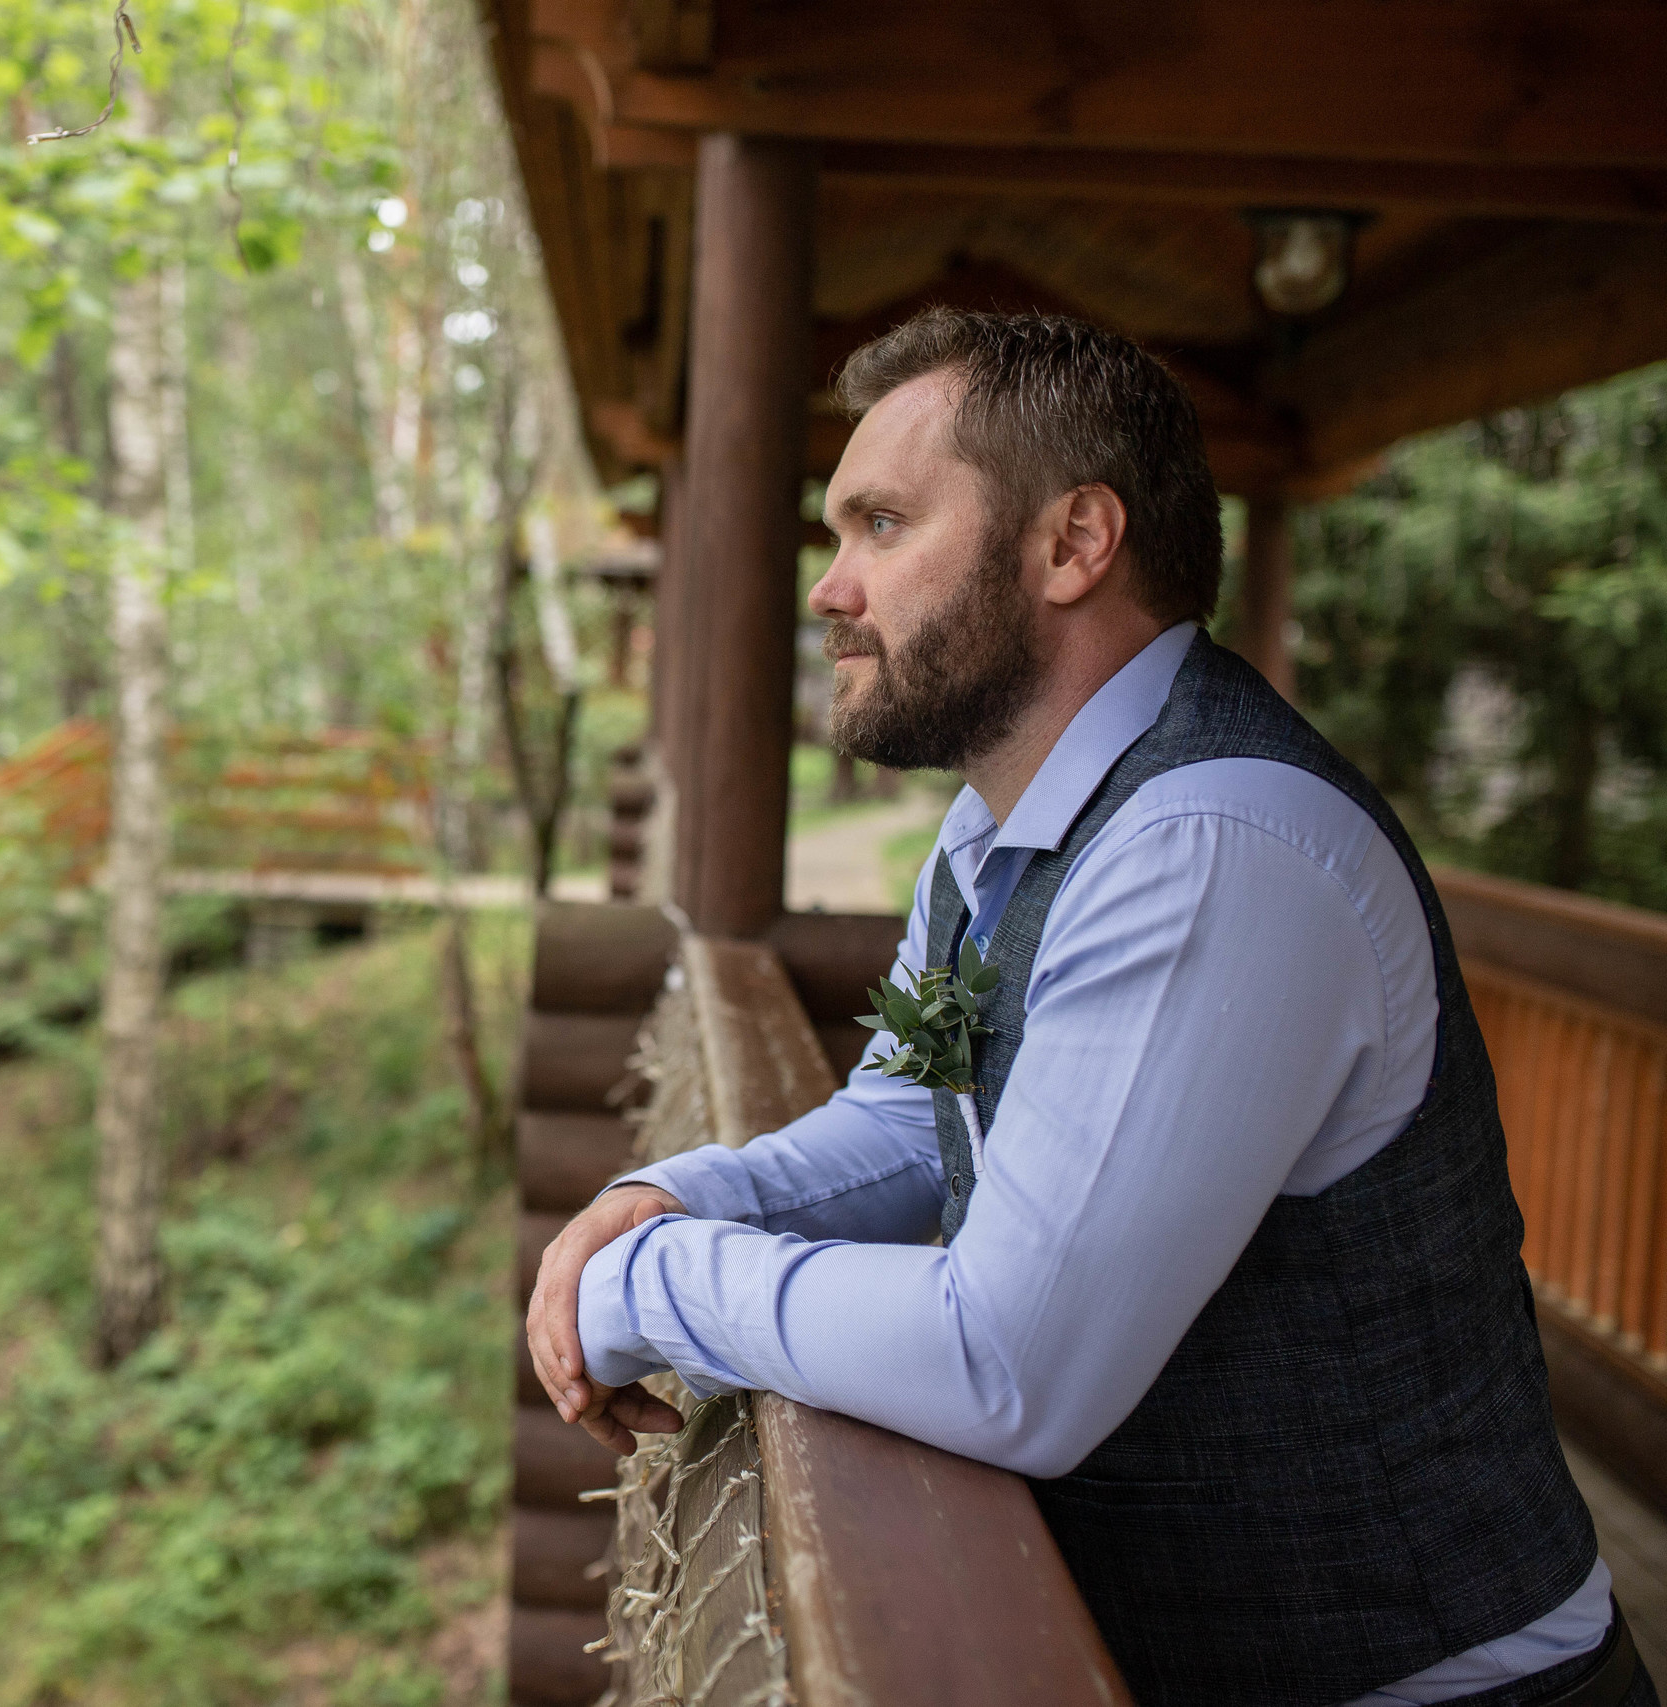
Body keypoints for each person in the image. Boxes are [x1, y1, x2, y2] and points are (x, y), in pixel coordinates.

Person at [525, 309, 1655, 1707]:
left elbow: (1009, 1365)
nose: (830, 589)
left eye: (880, 526)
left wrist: (656, 1285)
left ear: (1073, 544)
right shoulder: (1003, 817)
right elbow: (904, 1115)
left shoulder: (1217, 849)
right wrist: (672, 1192)